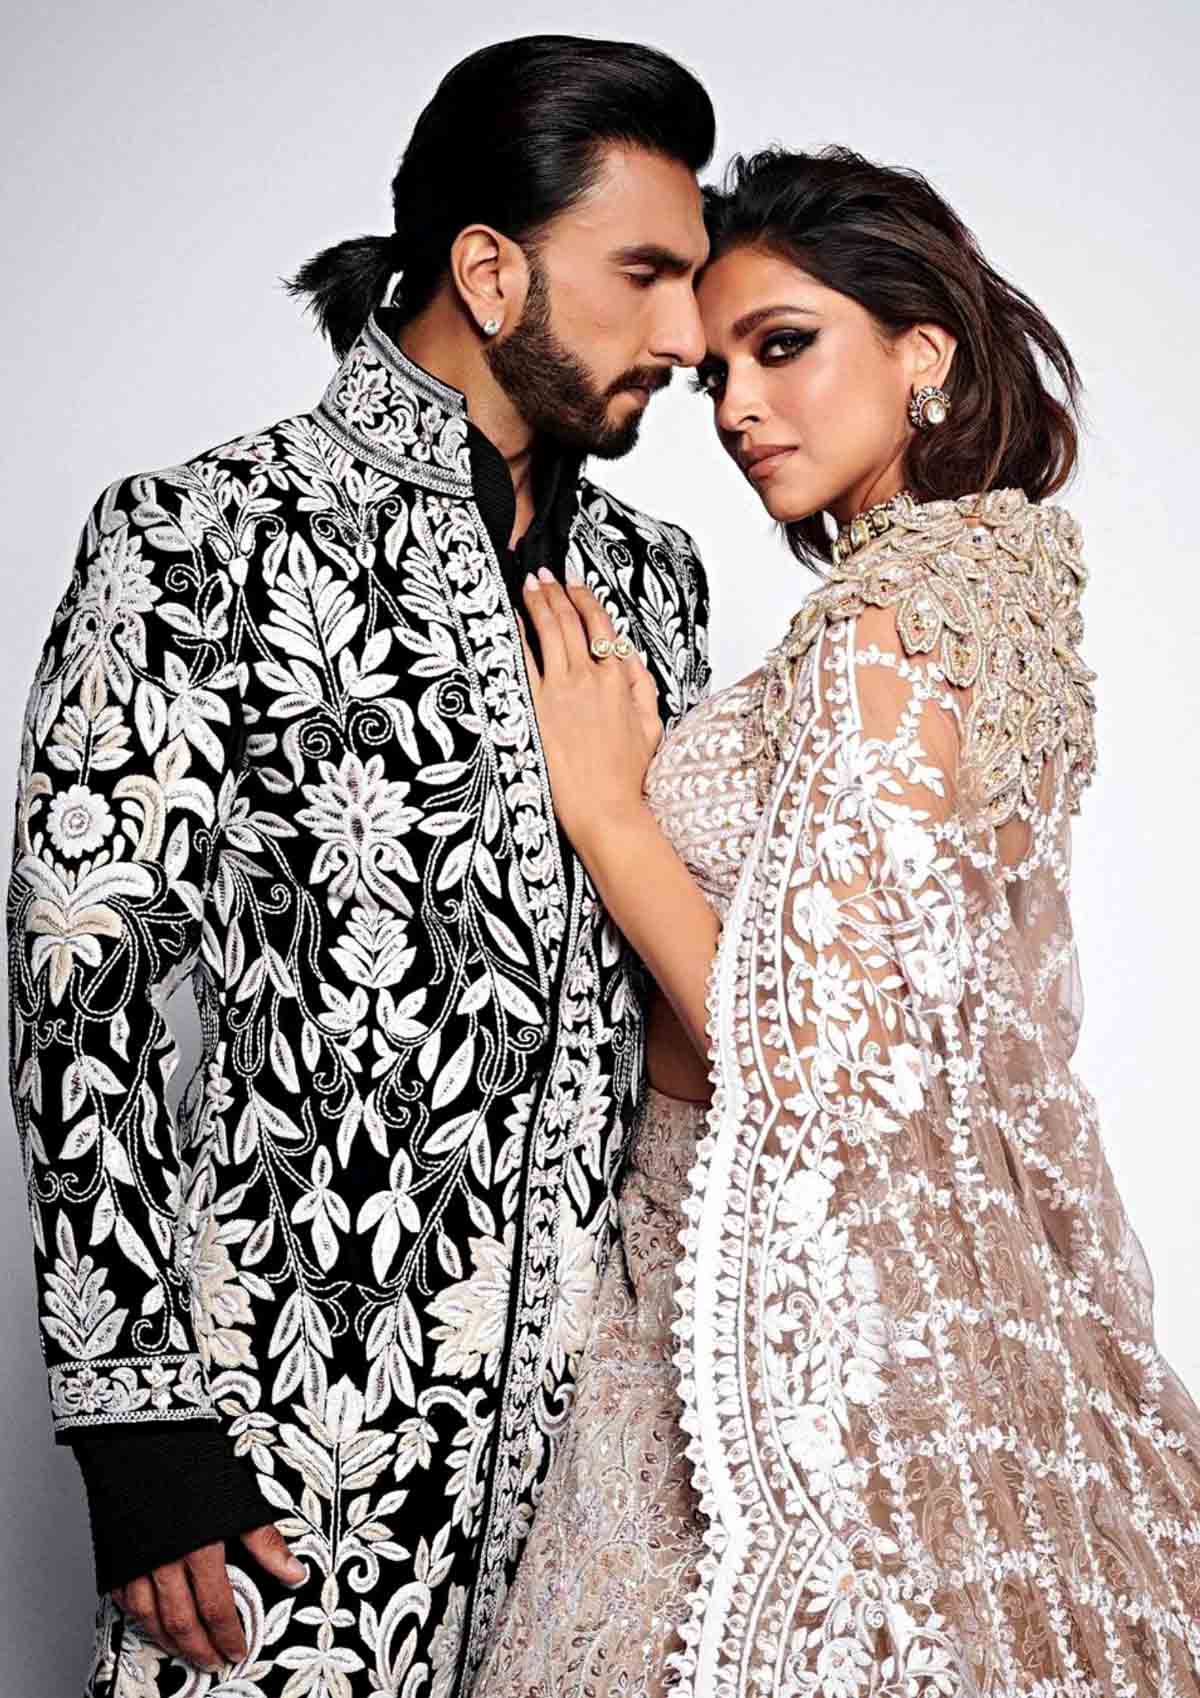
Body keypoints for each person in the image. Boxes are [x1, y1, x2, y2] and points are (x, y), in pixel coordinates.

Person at [6, 35, 716, 1696]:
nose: (688, 336)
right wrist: (138, 1429)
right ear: (489, 270)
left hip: (596, 1482)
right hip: (282, 1465)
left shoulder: (657, 584)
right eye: (645, 275)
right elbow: (86, 990)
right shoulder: (204, 539)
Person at [472, 147, 1200, 1697]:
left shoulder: (890, 623)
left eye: (784, 346)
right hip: (819, 1282)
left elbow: (822, 1060)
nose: (739, 406)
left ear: (921, 352)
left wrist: (607, 812)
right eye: (717, 373)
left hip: (779, 1295)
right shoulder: (983, 588)